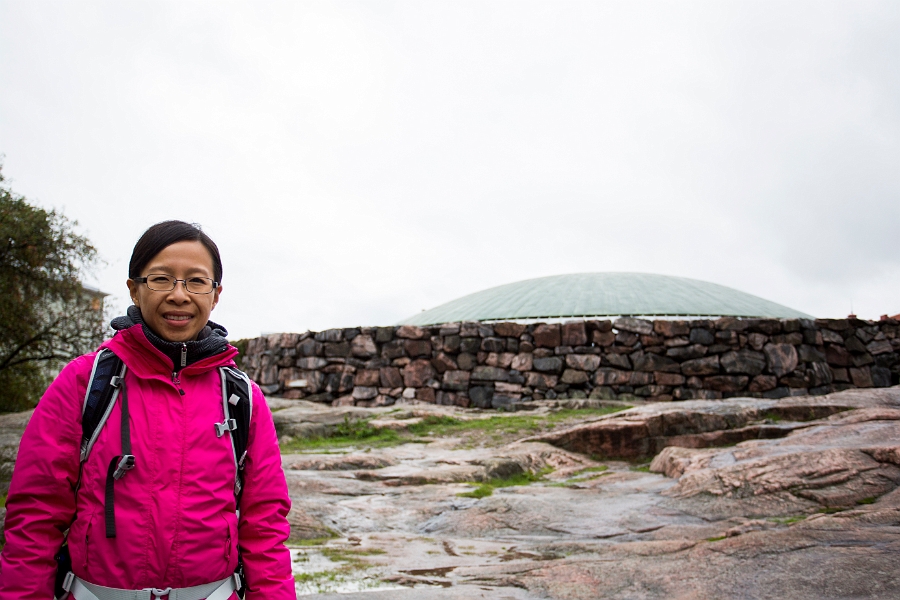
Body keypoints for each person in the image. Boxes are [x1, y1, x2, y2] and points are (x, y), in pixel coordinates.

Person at [0, 221, 295, 599]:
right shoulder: (86, 381)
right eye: (161, 279)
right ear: (134, 290)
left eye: (196, 281)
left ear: (215, 294)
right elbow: (35, 518)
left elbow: (265, 527)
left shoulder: (241, 396)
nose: (178, 294)